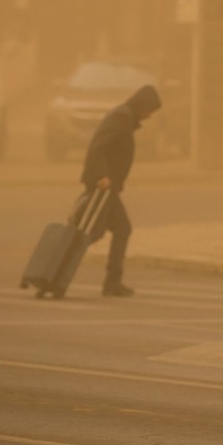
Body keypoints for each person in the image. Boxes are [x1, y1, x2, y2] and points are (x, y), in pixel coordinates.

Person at [80, 84, 162, 297]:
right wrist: (102, 175)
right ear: (142, 105)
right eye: (149, 110)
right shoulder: (121, 118)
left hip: (107, 186)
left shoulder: (124, 116)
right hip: (104, 186)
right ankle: (107, 280)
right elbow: (99, 146)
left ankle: (110, 280)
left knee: (98, 231)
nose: (149, 116)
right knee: (97, 232)